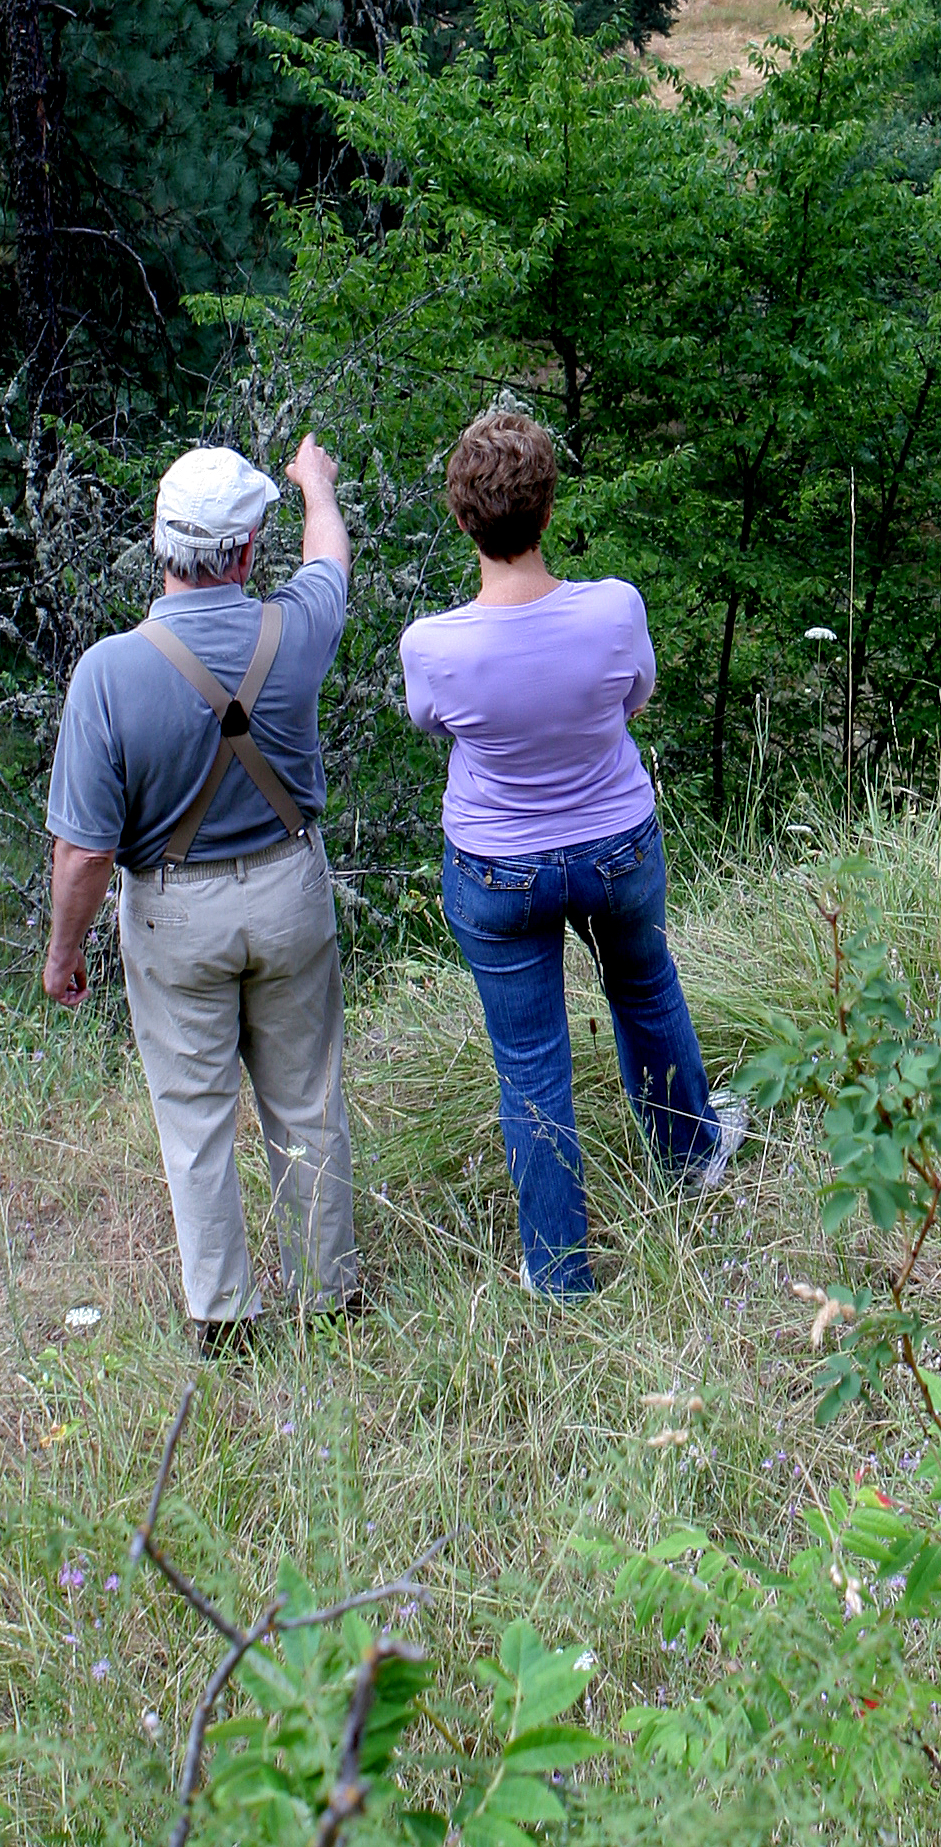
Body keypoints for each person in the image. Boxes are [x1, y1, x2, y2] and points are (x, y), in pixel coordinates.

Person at [400, 409, 745, 1297]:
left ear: (462, 518)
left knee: (529, 1064)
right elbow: (634, 698)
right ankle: (691, 1154)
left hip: (496, 868)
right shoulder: (614, 607)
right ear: (549, 511)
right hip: (614, 846)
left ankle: (557, 1267)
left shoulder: (433, 646)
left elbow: (433, 725)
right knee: (644, 987)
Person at [43, 435, 361, 1345]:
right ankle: (329, 1295)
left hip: (176, 912)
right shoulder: (294, 630)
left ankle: (221, 1317)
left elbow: (82, 855)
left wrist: (64, 954)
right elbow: (329, 555)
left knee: (194, 1118)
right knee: (307, 1101)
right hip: (290, 891)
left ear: (159, 542)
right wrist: (316, 485)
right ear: (250, 551)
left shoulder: (108, 672)